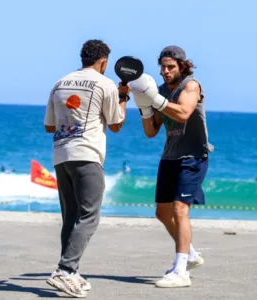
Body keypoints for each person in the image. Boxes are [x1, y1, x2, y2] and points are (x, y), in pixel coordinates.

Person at [43, 39, 130, 298]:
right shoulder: (105, 84)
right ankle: (65, 269)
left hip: (61, 155)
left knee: (71, 216)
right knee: (90, 215)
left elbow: (49, 126)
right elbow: (116, 124)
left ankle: (71, 272)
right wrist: (123, 97)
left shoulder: (60, 83)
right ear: (103, 62)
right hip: (87, 154)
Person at [130, 45, 213, 288]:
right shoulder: (160, 90)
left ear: (182, 66)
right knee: (162, 212)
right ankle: (192, 255)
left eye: (171, 67)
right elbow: (150, 131)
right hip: (169, 157)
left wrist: (154, 98)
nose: (165, 71)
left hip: (193, 156)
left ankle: (180, 271)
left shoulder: (191, 85)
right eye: (163, 67)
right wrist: (144, 107)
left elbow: (184, 113)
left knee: (180, 209)